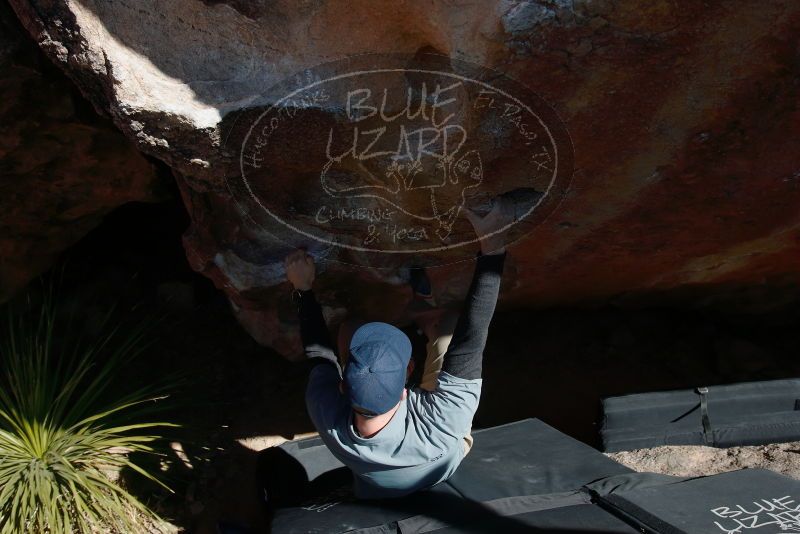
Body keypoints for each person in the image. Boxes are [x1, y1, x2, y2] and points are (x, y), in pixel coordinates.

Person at [284, 198, 513, 499]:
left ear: (343, 386)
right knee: (449, 329)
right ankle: (424, 312)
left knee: (350, 329)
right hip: (442, 460)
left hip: (382, 486)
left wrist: (302, 288)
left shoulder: (327, 411)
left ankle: (419, 312)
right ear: (408, 387)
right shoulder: (444, 420)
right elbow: (470, 340)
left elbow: (320, 356)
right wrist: (493, 248)